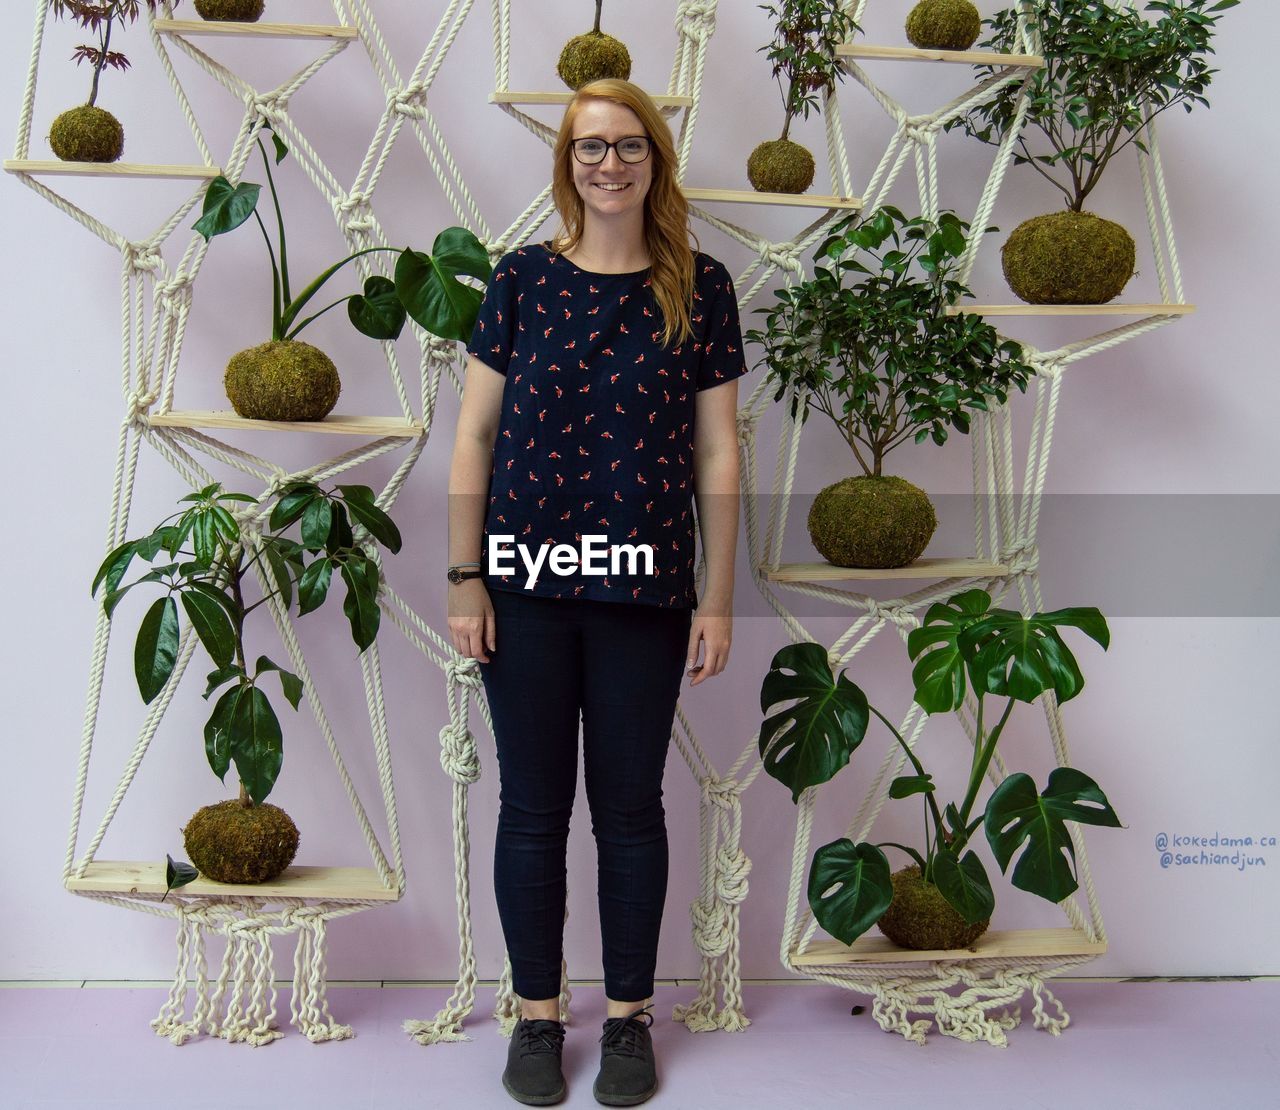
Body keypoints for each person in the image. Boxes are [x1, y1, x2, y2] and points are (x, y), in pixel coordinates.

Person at [446, 77, 746, 1107]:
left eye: (625, 145)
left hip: (644, 593)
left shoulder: (699, 287)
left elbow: (716, 452)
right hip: (523, 587)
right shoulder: (520, 279)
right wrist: (464, 579)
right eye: (586, 148)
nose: (606, 163)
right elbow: (474, 438)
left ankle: (626, 1022)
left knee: (628, 809)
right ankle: (536, 1019)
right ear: (565, 165)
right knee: (531, 810)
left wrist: (715, 598)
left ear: (654, 159)